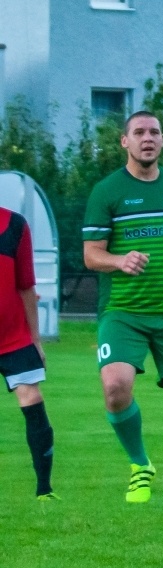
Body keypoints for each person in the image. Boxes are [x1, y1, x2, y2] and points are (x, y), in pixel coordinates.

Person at [84, 110, 163, 505]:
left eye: (154, 132)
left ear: (162, 140)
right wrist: (120, 261)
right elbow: (91, 254)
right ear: (125, 142)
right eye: (138, 132)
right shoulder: (107, 191)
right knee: (115, 387)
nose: (147, 138)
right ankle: (140, 465)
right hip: (123, 311)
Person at [0, 204, 52, 500]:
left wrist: (35, 339)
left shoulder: (14, 224)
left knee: (32, 398)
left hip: (13, 337)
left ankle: (44, 489)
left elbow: (26, 286)